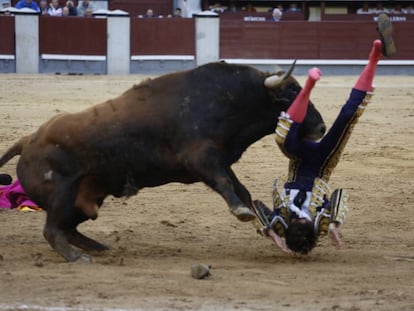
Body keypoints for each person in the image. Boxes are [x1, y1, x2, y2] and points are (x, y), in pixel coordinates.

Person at [253, 14, 396, 254]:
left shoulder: (282, 223)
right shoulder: (319, 222)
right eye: (305, 222)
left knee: (285, 136)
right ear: (310, 225)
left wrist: (268, 230)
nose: (302, 219)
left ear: (290, 228)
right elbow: (340, 195)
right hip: (323, 163)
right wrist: (334, 225)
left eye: (297, 223)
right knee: (348, 116)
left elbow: (256, 206)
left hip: (300, 158)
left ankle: (308, 86)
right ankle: (375, 55)